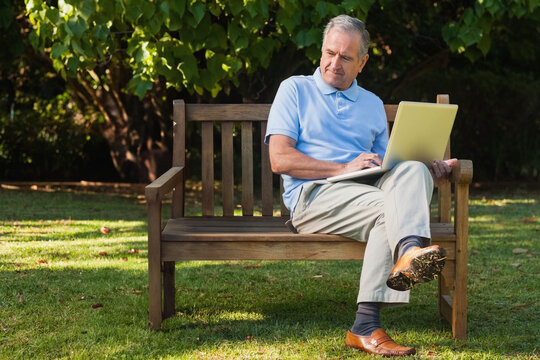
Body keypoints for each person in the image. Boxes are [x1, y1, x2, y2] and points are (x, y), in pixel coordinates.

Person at [264, 15, 457, 357]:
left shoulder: (370, 103)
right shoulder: (294, 89)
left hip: (368, 193)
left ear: (363, 62)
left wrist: (429, 170)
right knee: (391, 210)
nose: (334, 63)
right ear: (321, 51)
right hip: (314, 196)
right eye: (329, 53)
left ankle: (403, 259)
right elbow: (280, 159)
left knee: (411, 170)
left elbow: (390, 167)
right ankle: (376, 308)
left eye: (346, 57)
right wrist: (342, 167)